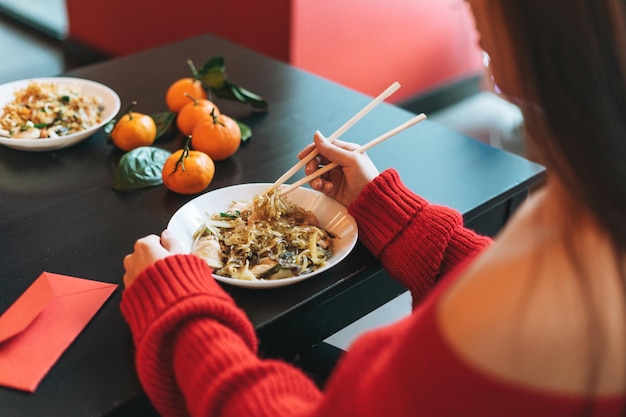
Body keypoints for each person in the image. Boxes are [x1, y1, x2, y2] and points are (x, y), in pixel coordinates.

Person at [121, 0, 626, 415]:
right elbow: (504, 285)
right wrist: (393, 215)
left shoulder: (545, 307)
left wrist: (181, 315)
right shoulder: (591, 209)